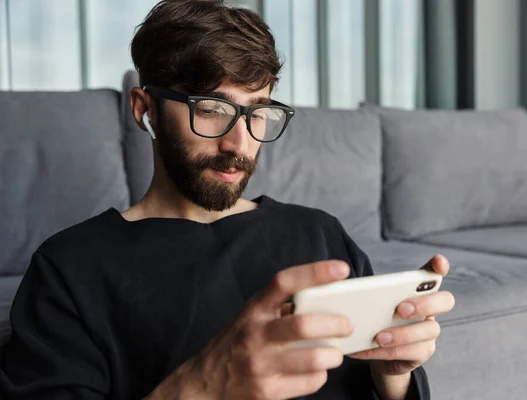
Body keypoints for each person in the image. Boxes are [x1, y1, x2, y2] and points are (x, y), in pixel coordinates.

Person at [0, 1, 455, 399]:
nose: (239, 143)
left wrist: (391, 375)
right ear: (145, 109)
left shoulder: (319, 233)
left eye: (258, 111)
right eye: (211, 109)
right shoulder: (69, 268)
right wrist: (205, 387)